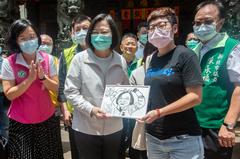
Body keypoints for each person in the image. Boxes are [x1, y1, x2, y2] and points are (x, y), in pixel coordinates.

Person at [139, 7, 204, 159]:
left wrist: (160, 112)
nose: (156, 31)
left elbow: (195, 97)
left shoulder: (185, 55)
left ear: (174, 28)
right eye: (152, 28)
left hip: (183, 138)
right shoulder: (151, 58)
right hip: (154, 137)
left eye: (162, 25)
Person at [64, 13, 129, 159]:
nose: (100, 36)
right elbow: (70, 92)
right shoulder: (79, 59)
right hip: (85, 128)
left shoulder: (120, 60)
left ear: (113, 34)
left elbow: (126, 91)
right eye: (95, 32)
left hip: (114, 128)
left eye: (104, 32)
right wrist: (91, 109)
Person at [1, 19, 63, 159]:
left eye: (32, 37)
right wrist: (29, 79)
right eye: (22, 38)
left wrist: (42, 78)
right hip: (20, 123)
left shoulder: (48, 59)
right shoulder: (9, 62)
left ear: (37, 37)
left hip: (47, 120)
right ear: (16, 41)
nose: (28, 41)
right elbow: (10, 94)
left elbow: (57, 88)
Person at [192, 1, 240, 159]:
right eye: (197, 23)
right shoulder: (194, 50)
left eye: (208, 21)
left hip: (217, 127)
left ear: (220, 23)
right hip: (192, 125)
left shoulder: (232, 47)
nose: (202, 26)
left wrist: (228, 124)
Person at [58, 15, 91, 159]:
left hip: (98, 112)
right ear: (72, 33)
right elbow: (62, 84)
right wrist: (64, 110)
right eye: (78, 29)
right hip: (74, 113)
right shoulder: (66, 54)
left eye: (86, 28)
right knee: (78, 152)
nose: (82, 32)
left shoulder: (104, 52)